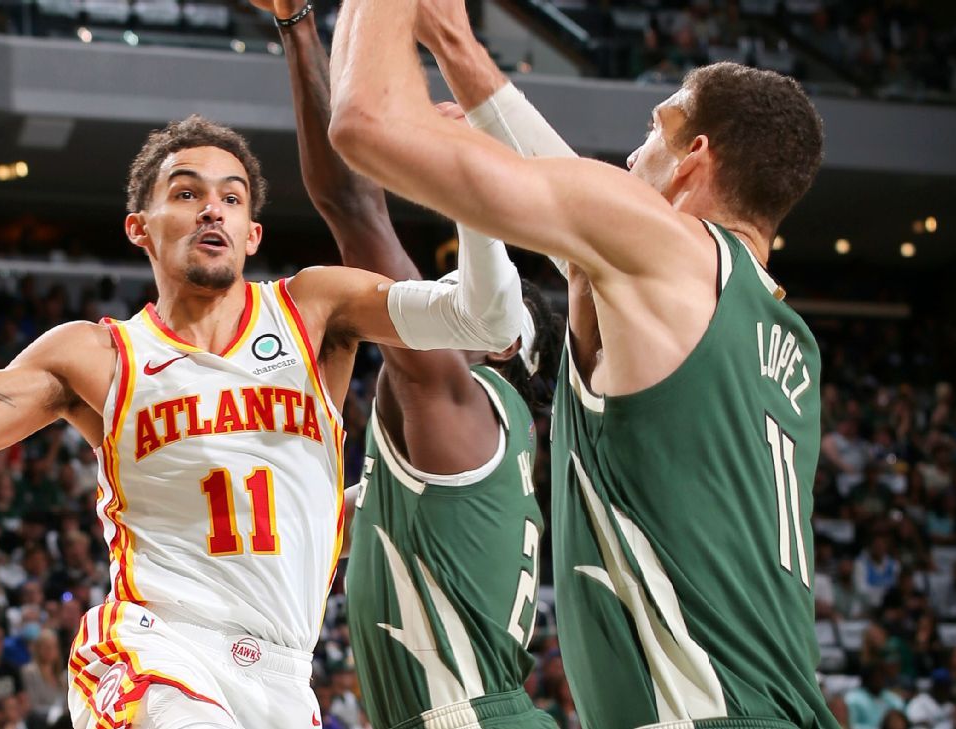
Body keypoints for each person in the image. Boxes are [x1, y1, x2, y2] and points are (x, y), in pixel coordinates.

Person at [0, 116, 527, 729]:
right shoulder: (96, 358)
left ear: (251, 235)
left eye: (230, 195)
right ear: (139, 227)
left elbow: (485, 314)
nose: (210, 207)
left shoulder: (313, 309)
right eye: (185, 192)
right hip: (157, 645)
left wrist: (472, 186)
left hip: (283, 673)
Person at [329, 0, 832, 725]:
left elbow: (365, 122)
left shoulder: (662, 248)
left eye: (652, 130)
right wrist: (454, 44)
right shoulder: (783, 335)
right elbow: (580, 227)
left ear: (695, 158)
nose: (632, 157)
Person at [255, 0, 562, 725]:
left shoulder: (452, 398)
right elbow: (337, 521)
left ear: (503, 345)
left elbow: (351, 205)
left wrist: (296, 22)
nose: (439, 297)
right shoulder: (472, 445)